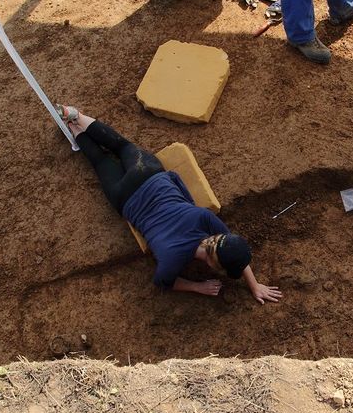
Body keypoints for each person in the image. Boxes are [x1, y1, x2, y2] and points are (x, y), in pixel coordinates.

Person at [60, 106, 283, 304]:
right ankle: (74, 129)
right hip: (125, 196)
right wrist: (197, 287)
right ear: (215, 266)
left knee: (121, 145)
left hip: (148, 173)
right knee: (100, 161)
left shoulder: (204, 218)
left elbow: (231, 249)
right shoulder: (171, 259)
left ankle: (75, 115)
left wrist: (254, 285)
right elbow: (162, 282)